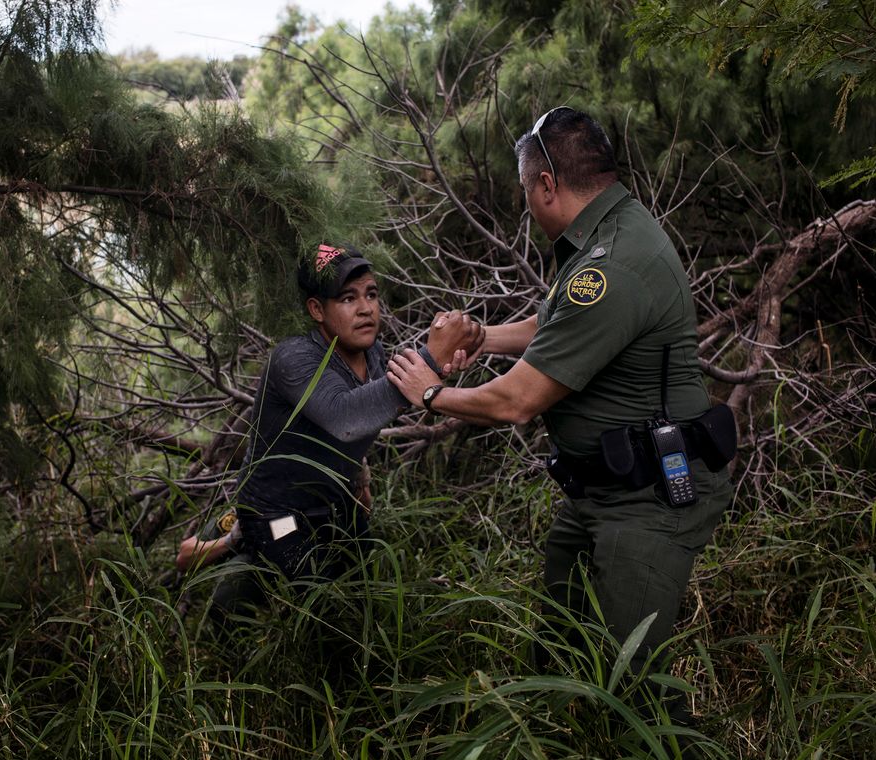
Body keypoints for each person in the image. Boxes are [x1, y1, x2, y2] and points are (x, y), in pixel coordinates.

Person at [386, 107, 735, 721]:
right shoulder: (605, 236)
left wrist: (430, 394)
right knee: (563, 651)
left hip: (649, 503)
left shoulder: (612, 265)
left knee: (635, 693)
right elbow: (557, 325)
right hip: (601, 493)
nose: (527, 205)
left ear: (547, 184)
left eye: (525, 191)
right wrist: (482, 338)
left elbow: (517, 402)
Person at [201, 243, 482, 625]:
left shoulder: (373, 354)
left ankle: (237, 549)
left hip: (336, 502)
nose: (366, 308)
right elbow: (345, 417)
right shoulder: (295, 358)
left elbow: (374, 408)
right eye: (348, 298)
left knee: (364, 600)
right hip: (279, 513)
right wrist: (429, 358)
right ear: (317, 310)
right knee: (327, 610)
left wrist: (440, 366)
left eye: (371, 294)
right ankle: (239, 548)